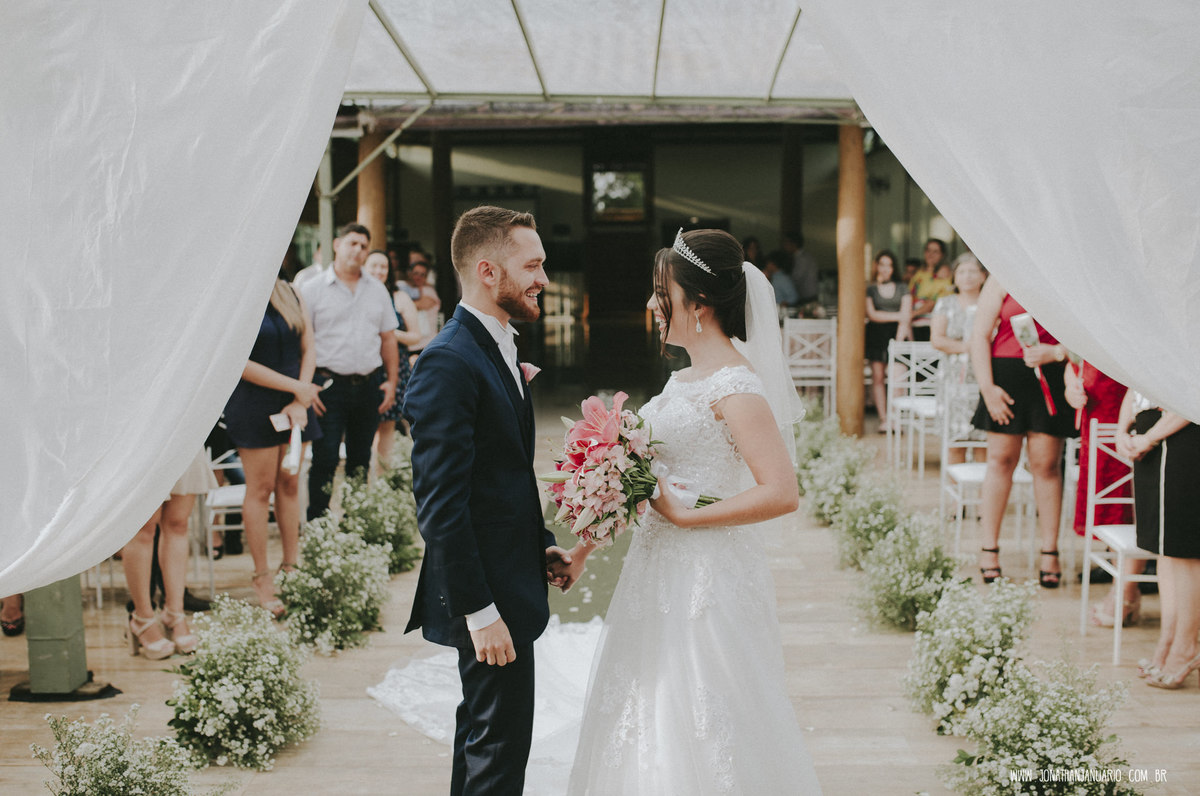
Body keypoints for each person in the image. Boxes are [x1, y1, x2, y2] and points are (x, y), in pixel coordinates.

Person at [555, 229, 822, 794]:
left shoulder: (736, 388)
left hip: (709, 576)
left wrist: (687, 518)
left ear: (697, 305)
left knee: (706, 703)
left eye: (662, 293)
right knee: (649, 704)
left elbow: (781, 491)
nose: (653, 304)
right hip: (656, 570)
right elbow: (646, 482)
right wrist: (583, 550)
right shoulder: (681, 380)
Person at [403, 205, 576, 795]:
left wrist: (541, 546)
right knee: (498, 751)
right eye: (532, 266)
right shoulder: (449, 361)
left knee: (486, 735)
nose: (543, 279)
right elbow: (441, 506)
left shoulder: (497, 343)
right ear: (487, 271)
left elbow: (502, 477)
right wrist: (479, 614)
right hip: (487, 599)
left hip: (510, 573)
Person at [222, 274, 323, 616]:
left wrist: (301, 396)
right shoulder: (237, 293)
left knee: (291, 484)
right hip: (254, 402)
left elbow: (309, 346)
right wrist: (297, 388)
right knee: (260, 490)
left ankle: (291, 567)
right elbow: (237, 361)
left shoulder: (292, 292)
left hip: (296, 402)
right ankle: (262, 577)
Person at [969, 278, 1075, 587]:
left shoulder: (1062, 272)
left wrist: (1055, 352)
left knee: (1047, 465)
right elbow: (979, 335)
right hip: (1005, 376)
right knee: (1000, 461)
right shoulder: (1001, 274)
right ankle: (989, 549)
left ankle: (1050, 551)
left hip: (1049, 373)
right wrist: (987, 389)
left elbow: (1086, 334)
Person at [298, 222, 399, 520]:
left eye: (364, 246)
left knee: (360, 458)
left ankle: (356, 524)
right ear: (337, 245)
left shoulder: (377, 289)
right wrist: (307, 385)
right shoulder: (312, 289)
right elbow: (302, 341)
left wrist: (391, 383)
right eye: (352, 243)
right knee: (325, 457)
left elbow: (388, 338)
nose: (358, 250)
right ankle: (319, 525)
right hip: (328, 385)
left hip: (368, 385)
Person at [1117, 390, 1200, 689]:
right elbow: (1132, 381)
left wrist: (1150, 436)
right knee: (1164, 550)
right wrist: (1122, 430)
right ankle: (1168, 642)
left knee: (1184, 549)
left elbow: (1193, 388)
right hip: (1151, 432)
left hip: (1182, 431)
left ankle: (1187, 646)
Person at [121, 450, 216, 659]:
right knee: (143, 527)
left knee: (178, 523)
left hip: (182, 430)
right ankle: (142, 617)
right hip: (143, 434)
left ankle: (175, 613)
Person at [1065, 362, 1138, 626]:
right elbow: (1074, 357)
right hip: (1095, 405)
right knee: (1108, 494)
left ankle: (1126, 589)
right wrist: (1071, 381)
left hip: (1124, 397)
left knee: (1129, 499)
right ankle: (1123, 583)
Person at [363, 250, 422, 471]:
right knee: (364, 430)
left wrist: (388, 333)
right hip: (365, 368)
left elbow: (416, 336)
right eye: (374, 266)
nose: (379, 271)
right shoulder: (358, 294)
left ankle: (382, 483)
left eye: (383, 267)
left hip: (394, 367)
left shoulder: (400, 297)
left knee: (387, 428)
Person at [930, 253, 988, 462]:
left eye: (972, 271)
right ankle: (956, 492)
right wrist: (967, 347)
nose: (967, 276)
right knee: (956, 442)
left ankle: (981, 494)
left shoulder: (989, 303)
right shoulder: (946, 303)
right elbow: (937, 339)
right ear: (954, 277)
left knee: (984, 441)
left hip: (985, 376)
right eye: (962, 272)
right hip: (954, 378)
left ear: (983, 276)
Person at [865, 249, 912, 433]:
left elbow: (906, 316)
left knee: (898, 377)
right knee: (877, 378)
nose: (885, 269)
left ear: (894, 268)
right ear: (876, 266)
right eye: (882, 264)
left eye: (889, 265)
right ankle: (884, 419)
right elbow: (872, 315)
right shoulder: (871, 289)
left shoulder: (903, 287)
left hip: (899, 335)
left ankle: (895, 417)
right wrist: (897, 315)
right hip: (876, 335)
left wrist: (899, 340)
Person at [909, 238, 953, 341]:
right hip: (913, 321)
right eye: (928, 250)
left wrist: (913, 314)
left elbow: (937, 301)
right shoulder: (919, 274)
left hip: (931, 322)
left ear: (942, 255)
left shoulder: (945, 275)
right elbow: (910, 294)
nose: (930, 254)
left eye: (935, 251)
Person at [402, 248, 442, 358]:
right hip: (412, 344)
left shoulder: (429, 291)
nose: (418, 277)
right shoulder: (407, 289)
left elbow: (420, 305)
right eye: (416, 273)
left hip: (427, 343)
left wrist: (403, 304)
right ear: (410, 274)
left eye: (422, 275)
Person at [783, 230, 820, 309]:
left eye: (786, 243)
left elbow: (795, 278)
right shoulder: (803, 257)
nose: (785, 246)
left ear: (794, 244)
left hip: (808, 299)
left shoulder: (802, 259)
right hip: (807, 297)